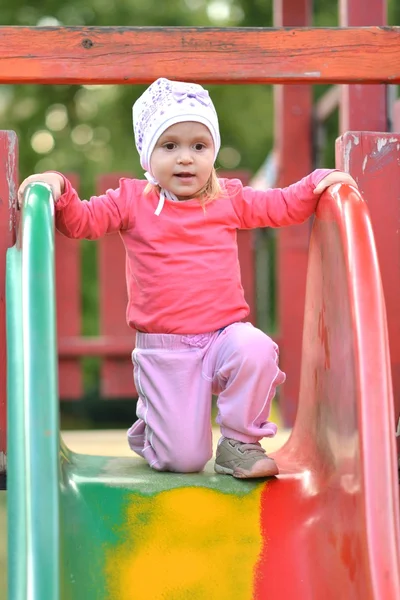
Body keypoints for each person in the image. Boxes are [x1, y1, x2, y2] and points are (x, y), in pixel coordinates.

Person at [18, 78, 357, 479]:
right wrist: (57, 186)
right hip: (167, 351)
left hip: (222, 337)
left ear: (213, 151)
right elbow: (81, 223)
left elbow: (279, 206)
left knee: (256, 347)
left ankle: (239, 443)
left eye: (199, 146)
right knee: (184, 462)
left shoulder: (227, 198)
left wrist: (318, 182)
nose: (185, 158)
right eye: (170, 146)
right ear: (148, 154)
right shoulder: (130, 201)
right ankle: (154, 429)